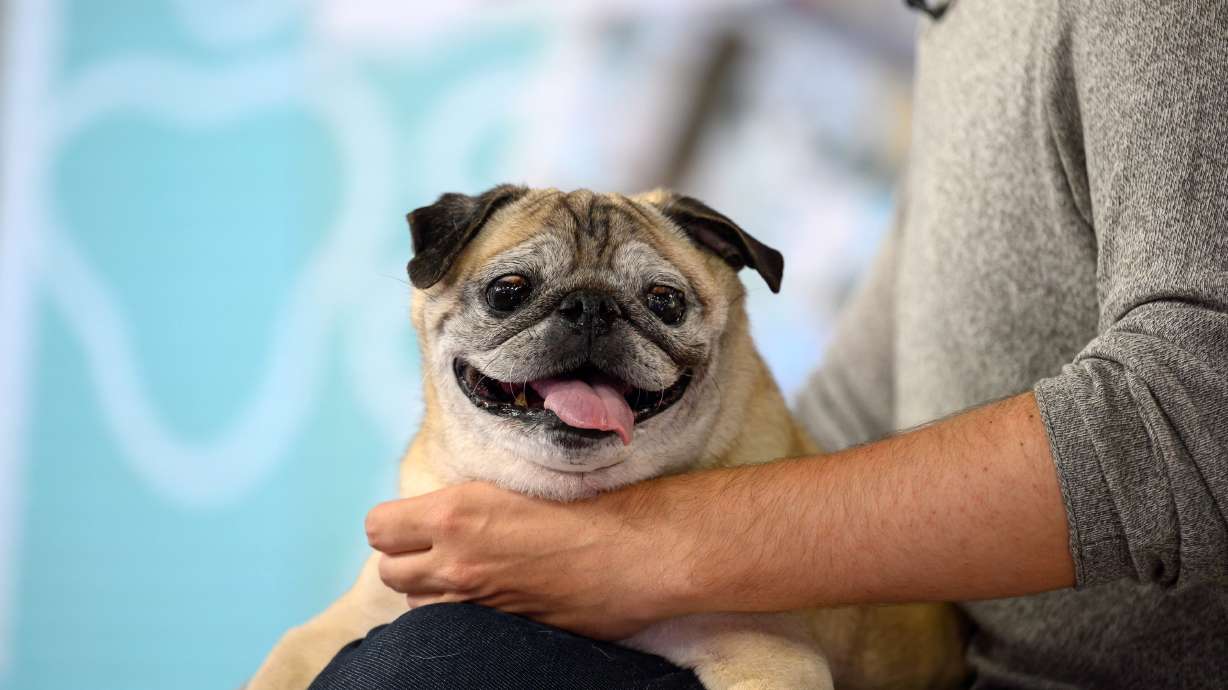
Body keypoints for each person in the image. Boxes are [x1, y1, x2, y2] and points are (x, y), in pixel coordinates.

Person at [317, 1, 1228, 688]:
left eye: (661, 304)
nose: (584, 329)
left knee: (437, 666)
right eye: (515, 294)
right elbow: (847, 419)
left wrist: (645, 551)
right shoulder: (955, 25)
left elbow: (1198, 409)